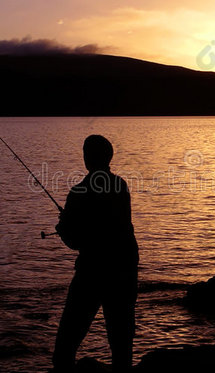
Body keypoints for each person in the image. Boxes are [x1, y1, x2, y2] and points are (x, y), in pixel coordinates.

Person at [52, 135, 139, 372]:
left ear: (87, 158)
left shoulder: (79, 192)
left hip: (91, 274)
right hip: (124, 272)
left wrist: (63, 227)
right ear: (108, 157)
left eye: (85, 153)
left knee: (65, 347)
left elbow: (75, 241)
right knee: (121, 347)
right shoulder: (120, 186)